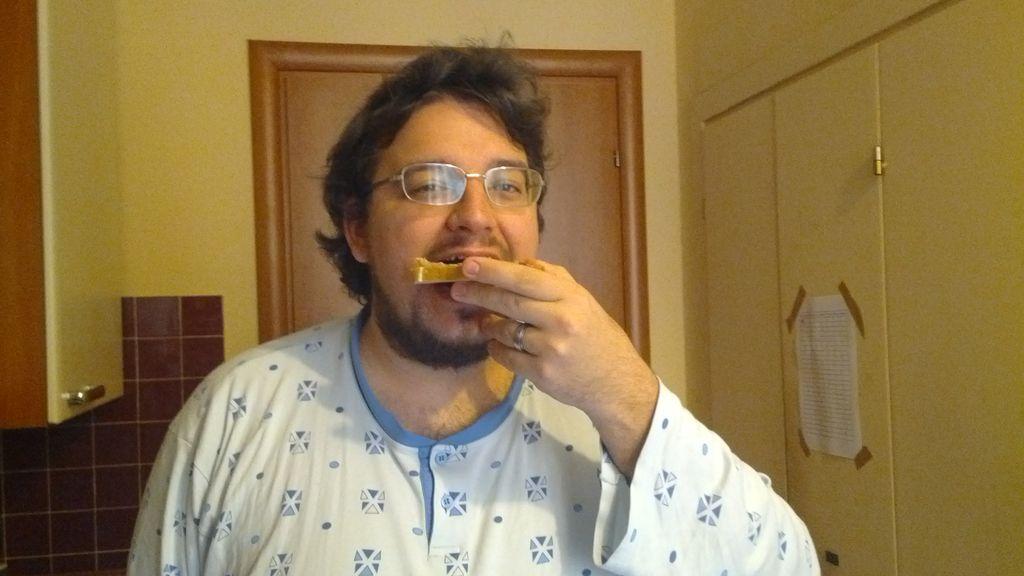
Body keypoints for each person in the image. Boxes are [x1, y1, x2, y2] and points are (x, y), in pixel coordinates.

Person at [129, 45, 819, 576]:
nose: (475, 217)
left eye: (507, 185)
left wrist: (626, 393)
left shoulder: (606, 419)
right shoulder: (235, 415)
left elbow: (785, 565)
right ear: (359, 229)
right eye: (429, 183)